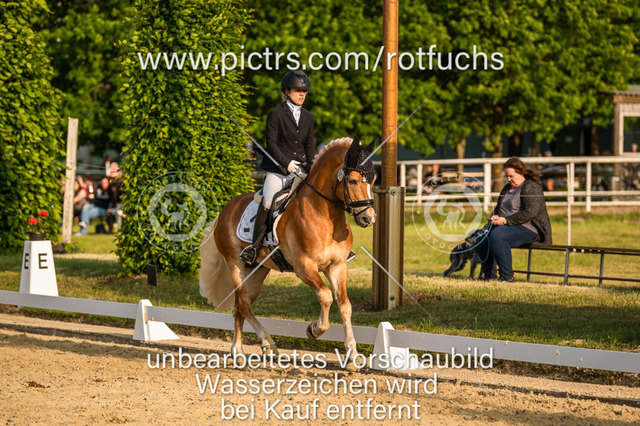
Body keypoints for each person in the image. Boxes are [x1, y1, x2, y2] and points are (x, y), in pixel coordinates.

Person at [239, 70, 315, 263]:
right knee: (268, 201)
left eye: (304, 91)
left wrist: (312, 166)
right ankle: (254, 247)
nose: (302, 94)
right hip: (278, 170)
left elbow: (309, 146)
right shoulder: (276, 114)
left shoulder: (308, 117)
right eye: (298, 90)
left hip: (302, 169)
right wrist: (287, 163)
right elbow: (271, 144)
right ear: (287, 91)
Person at [474, 157, 552, 282]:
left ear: (521, 173)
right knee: (480, 237)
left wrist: (505, 221)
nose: (509, 179)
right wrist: (495, 216)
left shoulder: (531, 187)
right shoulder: (507, 188)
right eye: (507, 176)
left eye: (511, 176)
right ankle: (489, 276)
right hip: (505, 226)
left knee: (498, 235)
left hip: (528, 228)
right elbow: (499, 208)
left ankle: (507, 277)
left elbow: (531, 212)